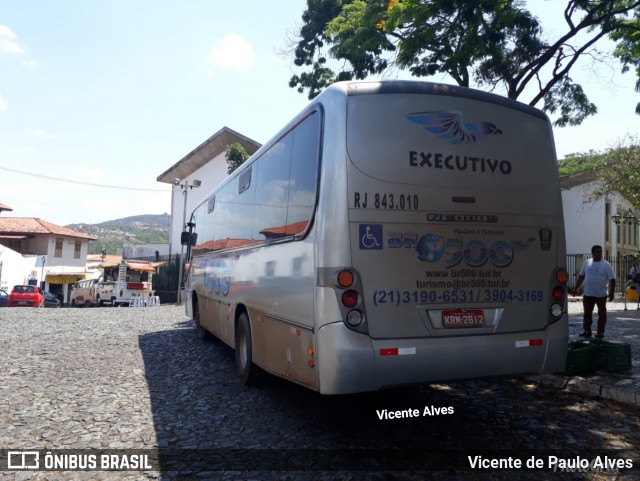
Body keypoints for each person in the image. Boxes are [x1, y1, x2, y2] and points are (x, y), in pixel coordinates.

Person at [574, 245, 616, 339]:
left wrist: (612, 292)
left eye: (600, 252)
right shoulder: (586, 263)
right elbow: (581, 276)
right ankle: (587, 330)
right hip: (588, 293)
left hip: (601, 294)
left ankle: (600, 332)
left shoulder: (606, 264)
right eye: (597, 252)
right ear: (592, 253)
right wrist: (576, 288)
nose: (599, 253)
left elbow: (612, 279)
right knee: (587, 313)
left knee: (602, 314)